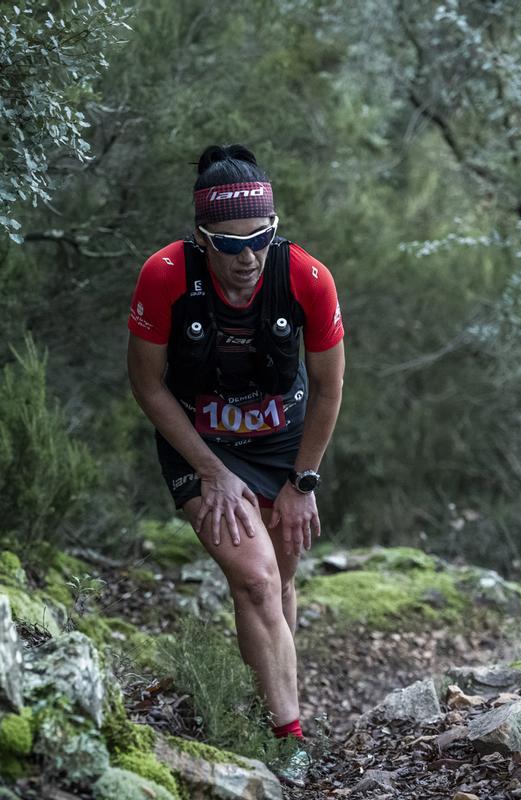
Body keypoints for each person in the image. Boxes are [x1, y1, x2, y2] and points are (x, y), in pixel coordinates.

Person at [126, 144, 345, 784]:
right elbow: (147, 385)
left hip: (284, 443)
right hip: (198, 440)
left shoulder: (306, 277)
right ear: (202, 238)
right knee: (253, 579)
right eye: (228, 245)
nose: (247, 258)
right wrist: (212, 469)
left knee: (278, 579)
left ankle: (266, 701)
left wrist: (304, 481)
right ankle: (289, 739)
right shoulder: (164, 275)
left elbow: (330, 389)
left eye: (260, 239)